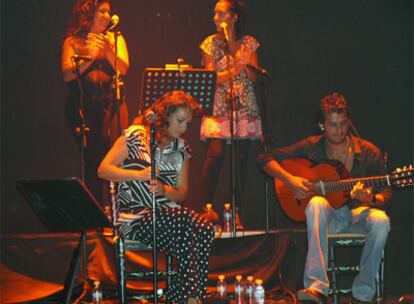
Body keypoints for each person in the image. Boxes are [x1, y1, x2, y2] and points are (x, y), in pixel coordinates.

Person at [257, 92, 391, 303]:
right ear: (321, 126)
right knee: (317, 202)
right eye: (332, 125)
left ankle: (363, 291)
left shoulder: (368, 152)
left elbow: (387, 194)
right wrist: (291, 180)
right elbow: (265, 158)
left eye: (343, 124)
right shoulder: (311, 147)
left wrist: (370, 199)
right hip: (330, 218)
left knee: (382, 222)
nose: (339, 130)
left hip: (359, 215)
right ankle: (317, 287)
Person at [98, 90, 215, 304]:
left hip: (169, 217)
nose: (184, 128)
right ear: (165, 116)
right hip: (136, 218)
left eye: (187, 123)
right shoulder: (135, 135)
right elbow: (103, 170)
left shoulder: (181, 148)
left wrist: (164, 190)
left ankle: (184, 296)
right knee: (186, 223)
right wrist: (138, 174)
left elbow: (182, 193)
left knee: (205, 228)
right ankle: (189, 297)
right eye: (180, 121)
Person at [61, 0, 129, 204]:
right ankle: (96, 213)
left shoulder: (115, 38)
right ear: (89, 14)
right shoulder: (73, 41)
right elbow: (66, 74)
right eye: (102, 11)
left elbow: (123, 68)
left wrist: (107, 49)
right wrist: (91, 54)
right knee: (91, 158)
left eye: (109, 12)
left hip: (113, 105)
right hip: (84, 108)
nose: (107, 16)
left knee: (117, 155)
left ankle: (118, 210)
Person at [199, 0, 262, 206]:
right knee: (215, 155)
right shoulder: (210, 43)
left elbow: (254, 77)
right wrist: (236, 67)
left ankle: (236, 211)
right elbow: (211, 78)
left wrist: (245, 64)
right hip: (218, 107)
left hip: (243, 107)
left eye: (221, 14)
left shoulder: (248, 43)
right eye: (214, 14)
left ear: (234, 17)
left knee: (240, 162)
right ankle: (204, 207)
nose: (216, 18)